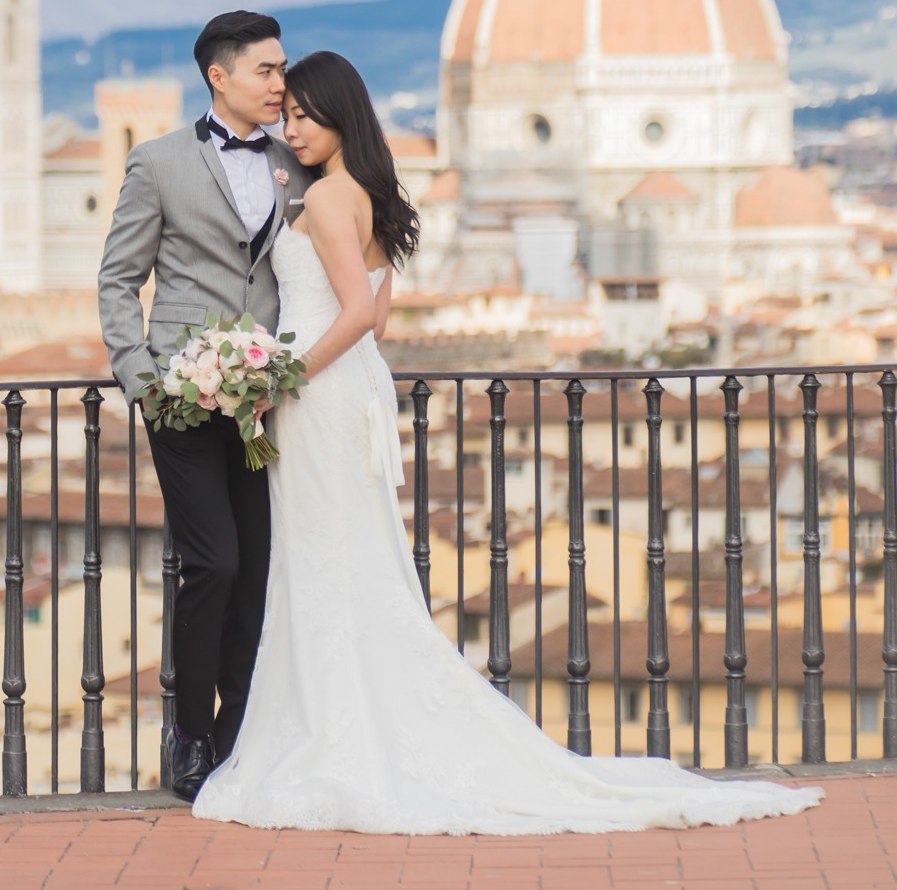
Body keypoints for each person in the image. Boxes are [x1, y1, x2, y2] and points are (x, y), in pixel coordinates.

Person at [194, 51, 822, 835]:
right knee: (348, 563)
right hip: (350, 393)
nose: (290, 129)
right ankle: (350, 729)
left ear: (338, 116)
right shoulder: (369, 201)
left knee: (319, 563)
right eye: (285, 116)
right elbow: (380, 323)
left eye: (301, 116)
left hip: (318, 395)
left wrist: (280, 377)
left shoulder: (323, 202)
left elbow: (354, 316)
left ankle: (331, 735)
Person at [98, 10, 309, 802]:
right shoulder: (156, 163)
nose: (280, 83)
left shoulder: (299, 160)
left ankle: (237, 739)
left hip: (266, 403)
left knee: (255, 573)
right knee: (211, 562)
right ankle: (187, 736)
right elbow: (118, 278)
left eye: (282, 68)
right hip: (182, 399)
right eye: (266, 70)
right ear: (220, 76)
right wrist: (141, 379)